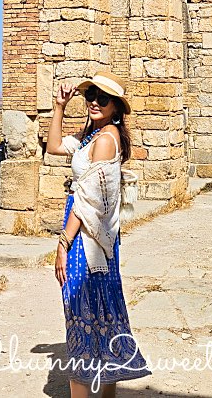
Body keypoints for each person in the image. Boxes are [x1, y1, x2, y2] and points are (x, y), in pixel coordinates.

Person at [46, 71, 152, 396]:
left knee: (80, 312)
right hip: (91, 234)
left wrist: (63, 243)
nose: (94, 102)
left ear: (116, 107)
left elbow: (88, 201)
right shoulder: (93, 135)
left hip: (86, 237)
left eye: (102, 98)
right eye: (90, 95)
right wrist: (59, 106)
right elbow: (53, 147)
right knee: (101, 311)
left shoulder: (105, 140)